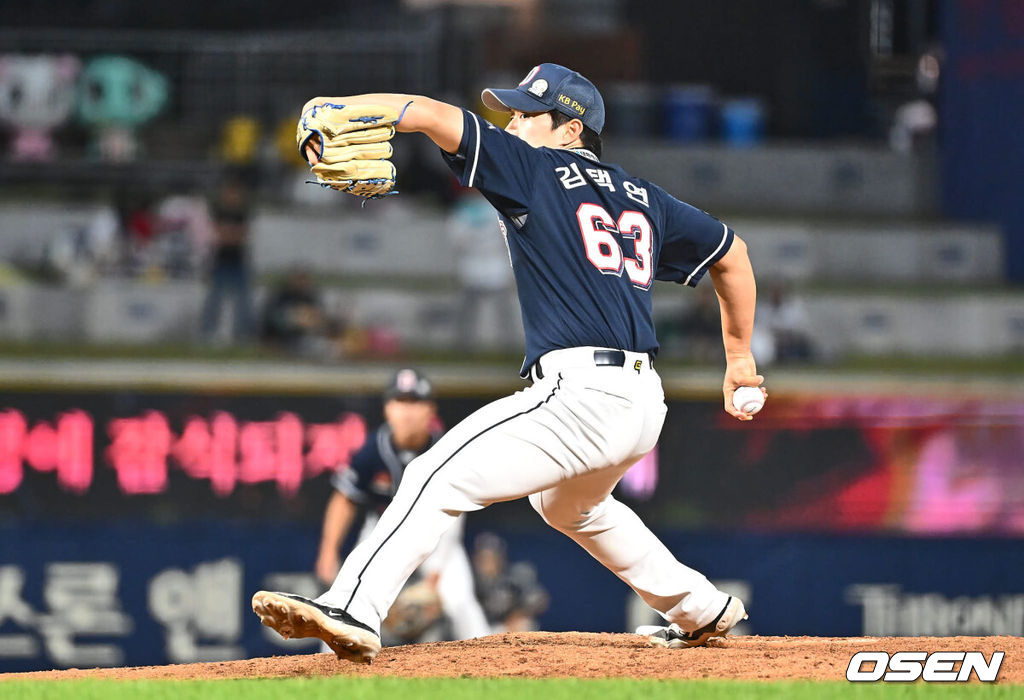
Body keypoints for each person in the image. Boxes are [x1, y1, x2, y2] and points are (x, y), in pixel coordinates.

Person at [253, 63, 765, 662]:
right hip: (642, 400)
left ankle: (354, 608)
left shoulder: (535, 167)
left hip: (582, 394)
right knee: (569, 505)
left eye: (527, 114)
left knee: (431, 476)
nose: (513, 123)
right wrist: (739, 359)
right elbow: (733, 254)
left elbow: (430, 113)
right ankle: (699, 608)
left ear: (571, 131)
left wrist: (338, 108)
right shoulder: (642, 196)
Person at [314, 368, 490, 644]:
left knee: (460, 602)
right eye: (400, 402)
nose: (407, 411)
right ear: (387, 409)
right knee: (347, 601)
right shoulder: (373, 449)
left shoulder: (445, 448)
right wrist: (328, 551)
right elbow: (344, 499)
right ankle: (331, 675)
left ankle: (498, 671)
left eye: (416, 402)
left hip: (439, 531)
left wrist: (436, 573)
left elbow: (458, 512)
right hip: (382, 529)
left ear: (431, 409)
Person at [199, 178, 255, 344]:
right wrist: (229, 234)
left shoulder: (242, 213)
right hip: (220, 260)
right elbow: (217, 235)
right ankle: (208, 332)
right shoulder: (217, 211)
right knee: (215, 298)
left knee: (243, 300)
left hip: (237, 260)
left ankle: (243, 335)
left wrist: (229, 234)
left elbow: (241, 236)